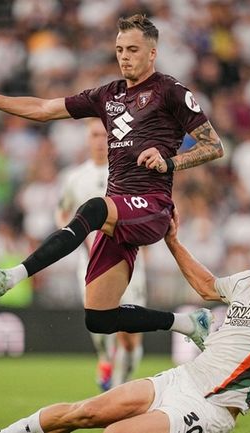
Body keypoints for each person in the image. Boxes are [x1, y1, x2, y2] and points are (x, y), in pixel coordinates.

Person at [0, 14, 224, 346]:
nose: (124, 56)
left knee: (92, 208)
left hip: (151, 206)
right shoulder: (108, 95)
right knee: (99, 318)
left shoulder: (170, 91)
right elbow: (44, 108)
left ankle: (10, 277)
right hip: (118, 213)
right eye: (119, 49)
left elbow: (213, 146)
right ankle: (190, 323)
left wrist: (169, 161)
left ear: (152, 54)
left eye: (133, 49)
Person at [0, 212, 250, 433]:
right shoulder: (245, 282)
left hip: (209, 407)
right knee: (85, 412)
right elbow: (207, 286)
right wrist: (173, 241)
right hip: (180, 379)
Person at [56, 118, 148, 391]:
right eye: (94, 135)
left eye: (104, 135)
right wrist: (75, 234)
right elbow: (61, 213)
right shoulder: (74, 178)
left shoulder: (129, 174)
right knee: (98, 322)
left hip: (128, 260)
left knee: (130, 336)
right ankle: (105, 358)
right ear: (88, 139)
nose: (99, 141)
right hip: (91, 263)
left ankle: (121, 386)